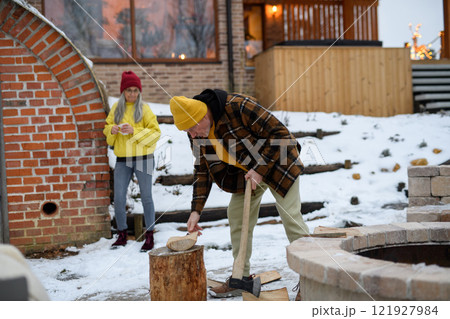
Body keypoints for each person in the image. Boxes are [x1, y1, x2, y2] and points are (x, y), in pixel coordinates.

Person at [169, 89, 309, 297]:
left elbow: (281, 135)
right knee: (236, 214)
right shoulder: (197, 133)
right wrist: (196, 211)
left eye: (192, 129)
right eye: (187, 132)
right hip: (249, 172)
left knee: (290, 217)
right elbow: (202, 170)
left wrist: (260, 170)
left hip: (279, 163)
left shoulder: (238, 106)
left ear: (204, 116)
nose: (191, 135)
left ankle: (310, 277)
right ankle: (240, 278)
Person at [103, 71, 161, 251]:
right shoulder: (116, 109)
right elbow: (106, 128)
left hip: (143, 158)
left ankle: (149, 235)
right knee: (119, 198)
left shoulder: (144, 109)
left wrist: (134, 131)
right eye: (129, 90)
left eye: (136, 90)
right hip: (122, 159)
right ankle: (121, 233)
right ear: (123, 91)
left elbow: (155, 134)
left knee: (147, 197)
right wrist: (111, 130)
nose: (132, 94)